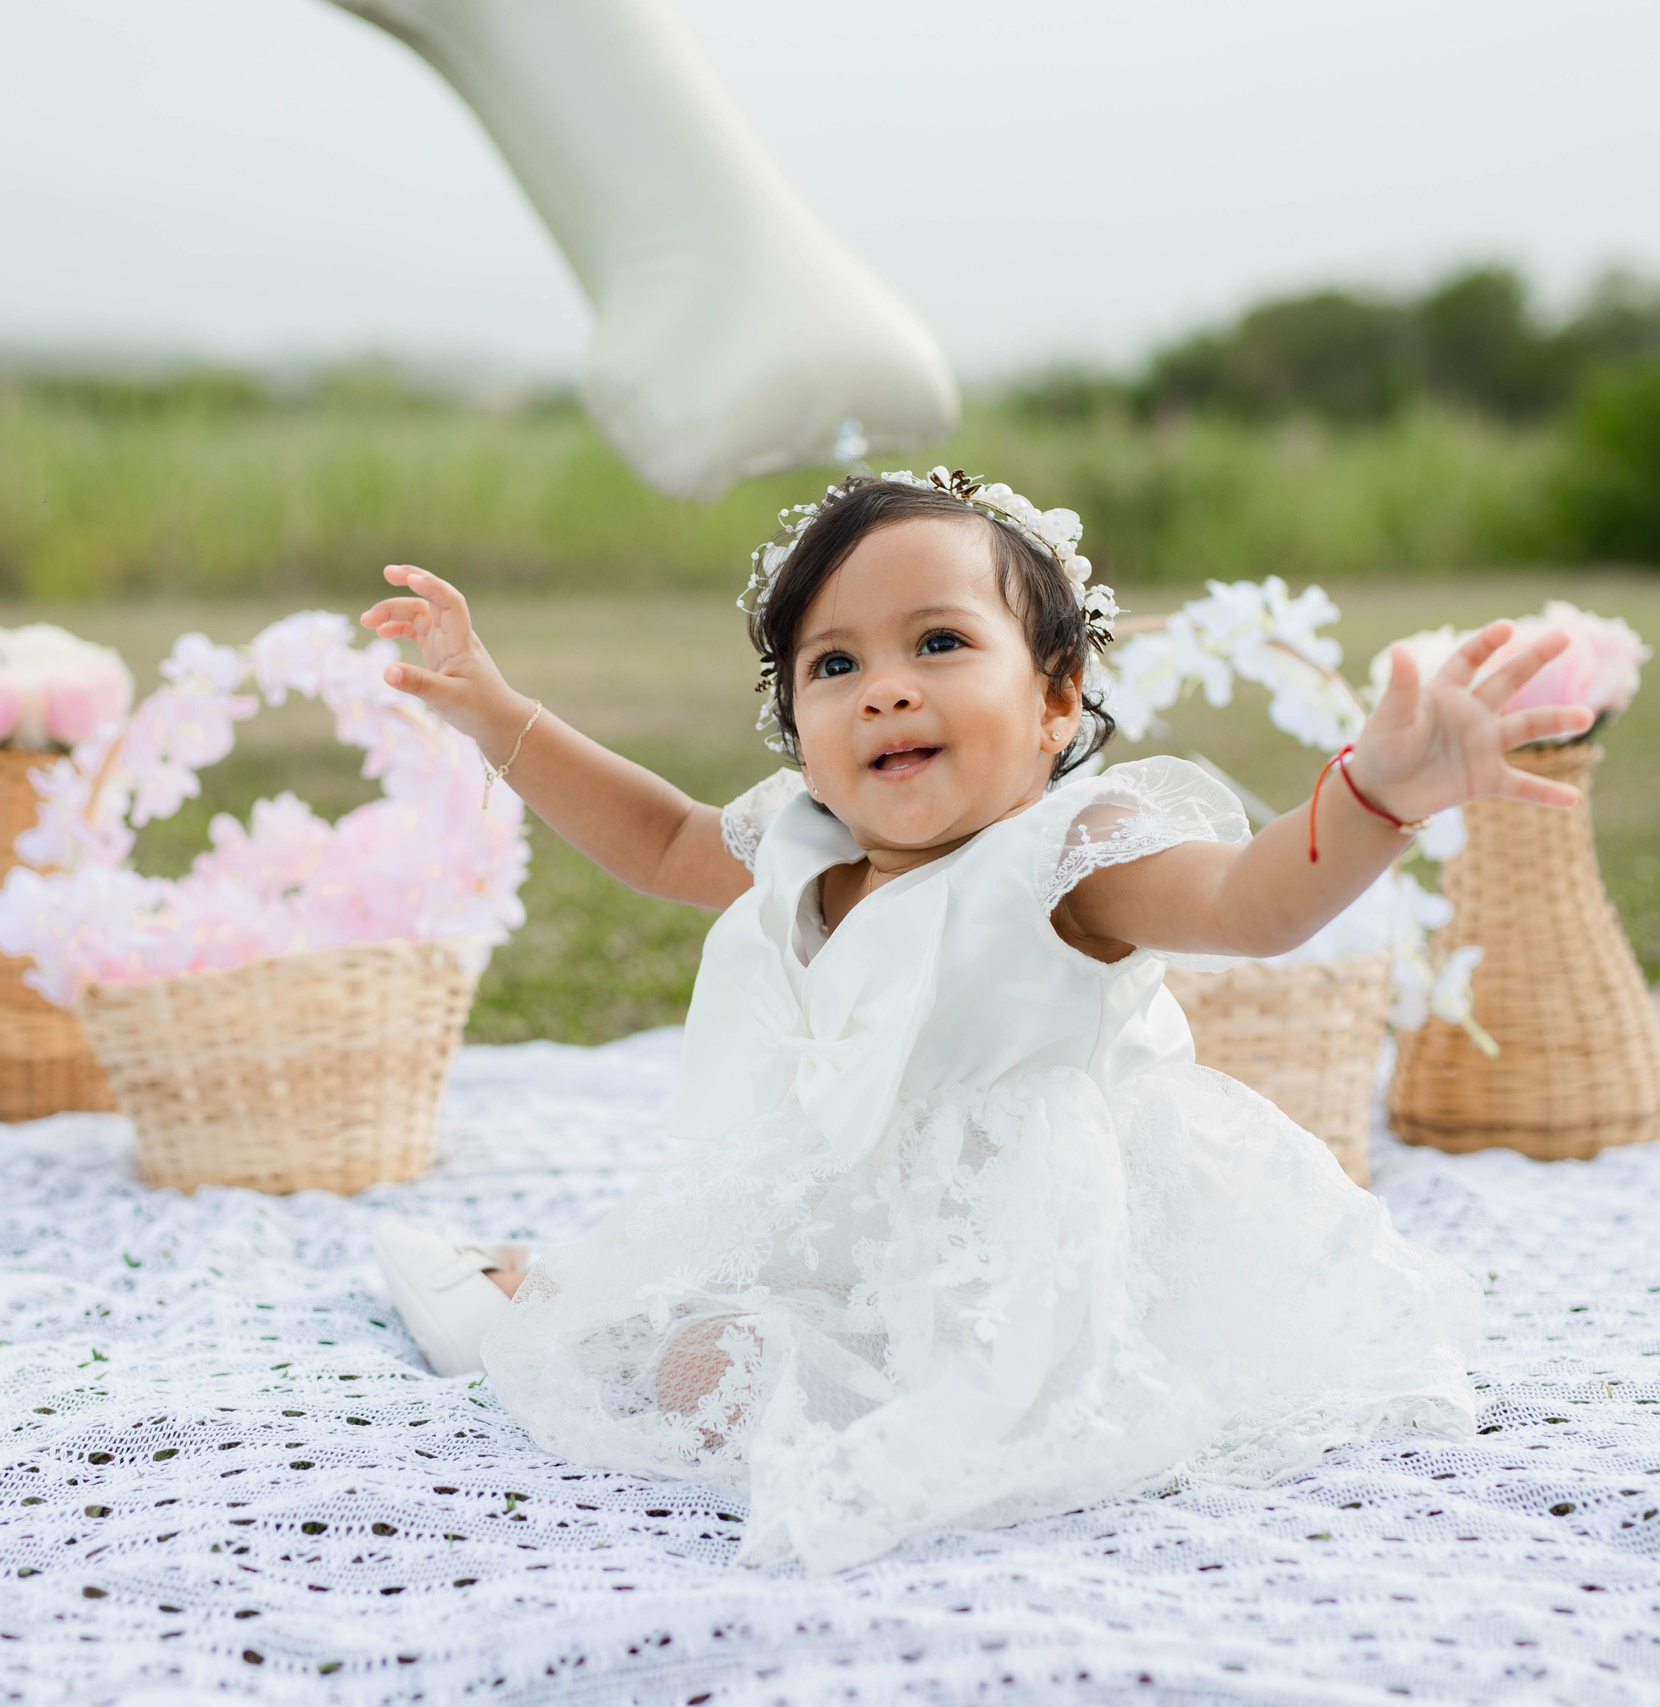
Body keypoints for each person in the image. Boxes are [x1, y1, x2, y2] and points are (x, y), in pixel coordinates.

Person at [361, 468, 1593, 1573]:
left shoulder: (1066, 856)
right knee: (690, 1353)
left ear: (1056, 700)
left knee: (828, 1407)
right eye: (833, 667)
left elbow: (1251, 904)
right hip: (850, 1202)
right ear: (800, 729)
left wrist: (1375, 794)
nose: (884, 690)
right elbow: (658, 835)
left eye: (938, 642)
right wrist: (490, 707)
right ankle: (539, 1291)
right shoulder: (806, 839)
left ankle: (566, 1305)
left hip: (1026, 1243)